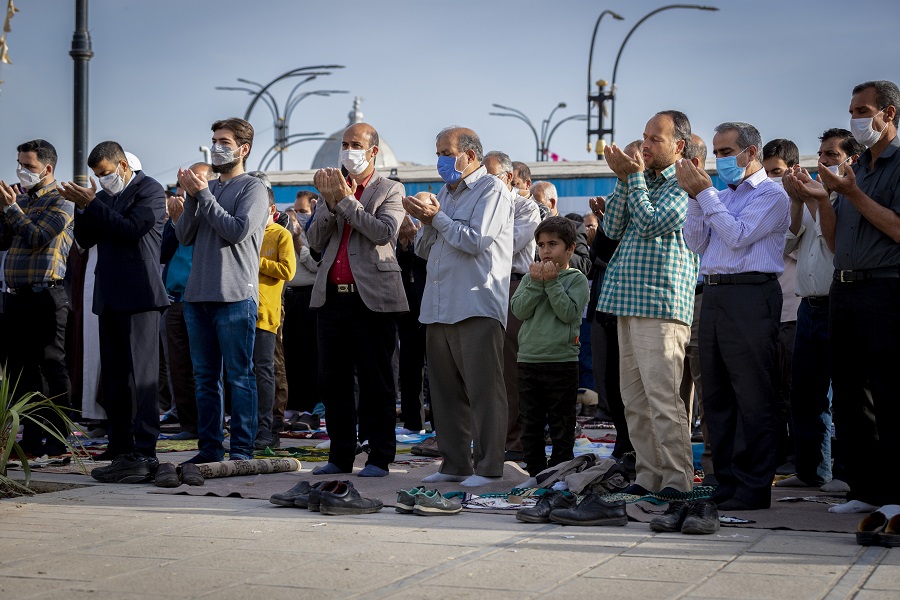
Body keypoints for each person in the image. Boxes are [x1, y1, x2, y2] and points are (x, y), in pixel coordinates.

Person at [679, 121, 790, 510]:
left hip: (751, 294)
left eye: (727, 152)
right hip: (715, 294)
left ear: (751, 153)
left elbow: (738, 235)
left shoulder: (772, 194)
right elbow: (695, 242)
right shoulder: (718, 195)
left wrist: (705, 194)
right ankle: (726, 479)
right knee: (718, 393)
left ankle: (753, 485)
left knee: (753, 393)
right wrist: (696, 199)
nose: (720, 160)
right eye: (717, 153)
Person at [404, 126, 514, 487]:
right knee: (444, 392)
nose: (440, 161)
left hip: (475, 302)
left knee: (484, 390)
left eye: (446, 152)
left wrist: (436, 219)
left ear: (469, 155)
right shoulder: (445, 194)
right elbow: (423, 249)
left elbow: (477, 241)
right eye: (437, 152)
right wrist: (424, 221)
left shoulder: (492, 189)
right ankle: (454, 464)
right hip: (438, 305)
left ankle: (489, 467)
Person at [596, 110, 699, 497]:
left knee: (664, 401)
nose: (645, 146)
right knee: (635, 402)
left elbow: (652, 223)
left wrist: (634, 177)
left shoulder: (685, 184)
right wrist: (625, 179)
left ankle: (677, 480)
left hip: (662, 306)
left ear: (680, 146)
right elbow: (612, 228)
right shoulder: (641, 181)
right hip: (628, 303)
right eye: (644, 137)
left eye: (655, 138)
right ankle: (648, 476)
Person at [813, 80, 900, 515]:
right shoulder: (858, 167)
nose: (856, 119)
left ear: (891, 114)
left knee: (888, 392)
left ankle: (895, 495)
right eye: (852, 110)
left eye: (864, 110)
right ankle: (865, 489)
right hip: (844, 288)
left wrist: (853, 194)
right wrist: (821, 201)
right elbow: (833, 241)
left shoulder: (896, 165)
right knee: (850, 395)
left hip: (885, 287)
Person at [60, 141, 169, 480]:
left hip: (140, 296)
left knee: (143, 378)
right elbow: (87, 238)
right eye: (97, 177)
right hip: (108, 297)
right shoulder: (103, 198)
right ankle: (119, 445)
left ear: (122, 165)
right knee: (115, 378)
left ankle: (144, 449)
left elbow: (132, 229)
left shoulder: (149, 189)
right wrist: (83, 207)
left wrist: (94, 203)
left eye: (106, 174)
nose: (103, 181)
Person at [307, 122, 408, 478]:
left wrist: (347, 201)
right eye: (344, 144)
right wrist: (331, 203)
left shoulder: (390, 189)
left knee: (376, 381)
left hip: (373, 301)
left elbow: (383, 232)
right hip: (332, 299)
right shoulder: (330, 189)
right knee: (332, 382)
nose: (348, 150)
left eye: (355, 144)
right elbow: (316, 241)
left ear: (372, 151)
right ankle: (340, 456)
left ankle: (379, 457)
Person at [175, 117, 270, 463]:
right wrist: (191, 197)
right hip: (197, 297)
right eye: (214, 140)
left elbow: (237, 230)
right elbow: (184, 235)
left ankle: (242, 450)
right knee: (204, 380)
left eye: (225, 142)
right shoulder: (207, 189)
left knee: (239, 377)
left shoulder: (253, 188)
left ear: (243, 149)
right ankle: (209, 449)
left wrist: (202, 194)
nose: (217, 146)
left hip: (234, 297)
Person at [780, 128, 863, 491]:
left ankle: (846, 472)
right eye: (822, 153)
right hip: (808, 307)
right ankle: (810, 469)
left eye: (831, 154)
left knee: (844, 394)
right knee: (805, 392)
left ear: (851, 159)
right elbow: (786, 243)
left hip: (840, 304)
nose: (824, 160)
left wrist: (817, 201)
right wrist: (798, 201)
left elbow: (837, 247)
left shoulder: (851, 199)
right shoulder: (816, 195)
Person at [0, 139, 74, 456]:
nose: (21, 171)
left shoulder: (62, 202)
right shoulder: (22, 202)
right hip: (15, 298)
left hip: (46, 296)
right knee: (21, 371)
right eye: (19, 164)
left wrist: (11, 209)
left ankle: (57, 442)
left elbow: (36, 235)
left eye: (28, 166)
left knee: (51, 367)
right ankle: (30, 441)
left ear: (47, 168)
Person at [511, 216, 589, 478]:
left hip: (562, 361)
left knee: (562, 422)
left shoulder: (575, 279)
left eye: (552, 244)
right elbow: (519, 310)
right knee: (530, 422)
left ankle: (559, 471)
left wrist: (552, 283)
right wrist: (536, 283)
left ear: (569, 249)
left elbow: (568, 313)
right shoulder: (529, 278)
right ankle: (535, 472)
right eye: (541, 244)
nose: (545, 250)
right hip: (529, 360)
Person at [483, 150, 540, 462]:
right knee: (484, 369)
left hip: (512, 286)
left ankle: (515, 440)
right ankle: (491, 437)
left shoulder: (526, 208)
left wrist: (478, 235)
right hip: (483, 287)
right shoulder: (483, 205)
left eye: (498, 178)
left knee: (510, 369)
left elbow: (502, 246)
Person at [159, 162, 217, 441]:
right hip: (175, 299)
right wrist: (174, 222)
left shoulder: (214, 209)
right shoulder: (178, 212)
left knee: (205, 368)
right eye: (185, 180)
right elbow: (162, 253)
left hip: (204, 298)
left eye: (197, 179)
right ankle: (188, 424)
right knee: (178, 366)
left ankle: (211, 426)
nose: (189, 185)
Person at [762, 138, 802, 473]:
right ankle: (774, 456)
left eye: (777, 172)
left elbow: (787, 242)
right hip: (765, 313)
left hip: (793, 311)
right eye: (766, 172)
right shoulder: (761, 202)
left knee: (793, 391)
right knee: (769, 391)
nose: (772, 179)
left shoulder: (801, 203)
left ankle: (796, 458)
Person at [249, 172, 296, 450]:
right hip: (240, 310)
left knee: (265, 371)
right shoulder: (245, 232)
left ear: (272, 211)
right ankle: (249, 426)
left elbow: (288, 270)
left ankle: (268, 427)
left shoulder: (280, 234)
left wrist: (255, 262)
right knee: (243, 373)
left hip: (266, 313)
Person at [281, 208, 321, 420]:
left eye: (293, 218)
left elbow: (316, 265)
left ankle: (310, 404)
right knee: (290, 353)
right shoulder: (278, 235)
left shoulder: (308, 235)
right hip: (287, 297)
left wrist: (298, 241)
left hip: (307, 296)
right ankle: (293, 402)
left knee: (308, 353)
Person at [529, 181, 592, 276]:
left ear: (552, 203)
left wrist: (561, 253)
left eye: (538, 204)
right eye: (541, 245)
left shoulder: (575, 227)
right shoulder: (529, 228)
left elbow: (585, 265)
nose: (533, 208)